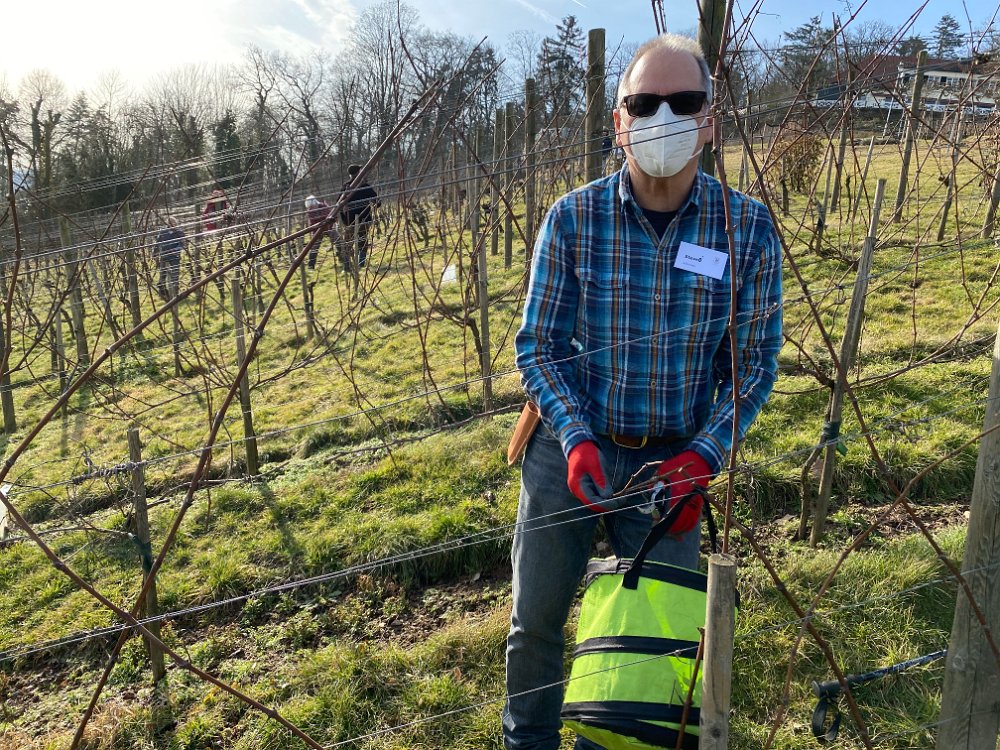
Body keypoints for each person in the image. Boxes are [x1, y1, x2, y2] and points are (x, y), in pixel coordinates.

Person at [504, 33, 783, 750]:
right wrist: (573, 435)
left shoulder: (746, 230)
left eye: (683, 102)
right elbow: (538, 345)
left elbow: (754, 364)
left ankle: (611, 742)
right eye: (643, 103)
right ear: (619, 121)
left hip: (672, 468)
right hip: (569, 455)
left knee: (651, 637)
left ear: (709, 122)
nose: (663, 118)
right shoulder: (573, 219)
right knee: (536, 623)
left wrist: (703, 457)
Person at [339, 164, 379, 268]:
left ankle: (347, 265)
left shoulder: (345, 187)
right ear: (358, 172)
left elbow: (339, 205)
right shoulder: (365, 186)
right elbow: (377, 202)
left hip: (349, 221)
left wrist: (344, 220)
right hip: (364, 219)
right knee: (362, 241)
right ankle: (361, 264)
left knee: (347, 243)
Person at [304, 195, 340, 270]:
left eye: (312, 206)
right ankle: (311, 266)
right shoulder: (310, 211)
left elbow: (330, 216)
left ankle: (342, 258)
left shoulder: (323, 206)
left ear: (315, 203)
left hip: (329, 227)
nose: (311, 208)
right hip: (317, 230)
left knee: (338, 240)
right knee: (314, 247)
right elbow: (312, 223)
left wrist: (328, 225)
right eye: (310, 207)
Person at [153, 216, 186, 300]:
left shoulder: (179, 232)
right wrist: (155, 254)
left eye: (174, 223)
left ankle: (176, 293)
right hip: (164, 255)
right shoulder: (163, 232)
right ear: (167, 223)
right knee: (162, 274)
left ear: (176, 223)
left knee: (175, 275)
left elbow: (182, 244)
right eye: (170, 223)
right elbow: (158, 243)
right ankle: (162, 290)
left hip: (175, 257)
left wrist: (175, 250)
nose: (172, 224)